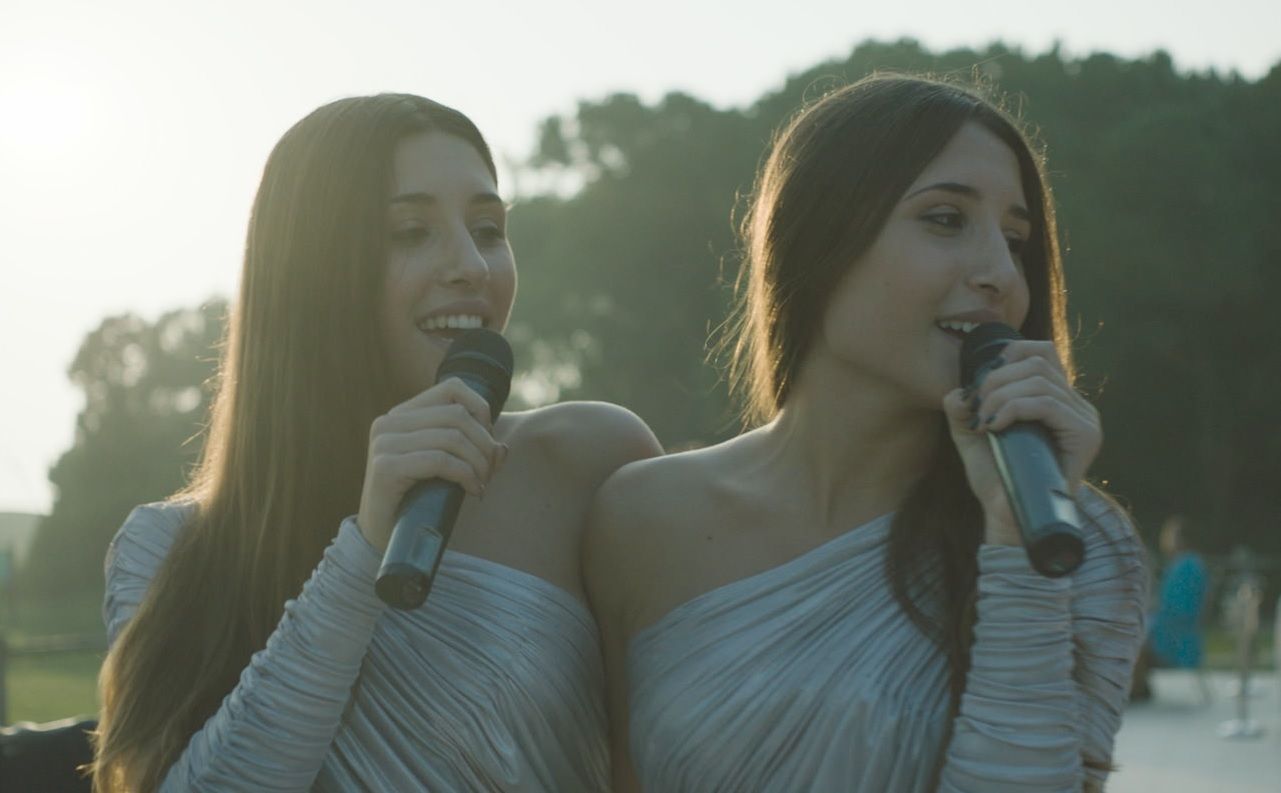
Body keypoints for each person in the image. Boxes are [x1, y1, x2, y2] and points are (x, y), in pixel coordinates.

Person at [585, 74, 1147, 793]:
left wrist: (1019, 549)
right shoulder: (641, 517)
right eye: (945, 218)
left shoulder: (1080, 543)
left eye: (1015, 240)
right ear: (817, 237)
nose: (1000, 275)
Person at [90, 94, 660, 792]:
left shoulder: (590, 462)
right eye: (411, 232)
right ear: (310, 271)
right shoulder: (170, 550)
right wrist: (361, 552)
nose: (472, 265)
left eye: (487, 229)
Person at [1130, 515, 1209, 701]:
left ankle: (1136, 689)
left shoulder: (1187, 566)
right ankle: (1138, 687)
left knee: (1128, 639)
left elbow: (1179, 610)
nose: (1164, 539)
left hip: (1176, 639)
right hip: (1175, 631)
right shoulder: (1185, 564)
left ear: (1181, 539)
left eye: (1169, 535)